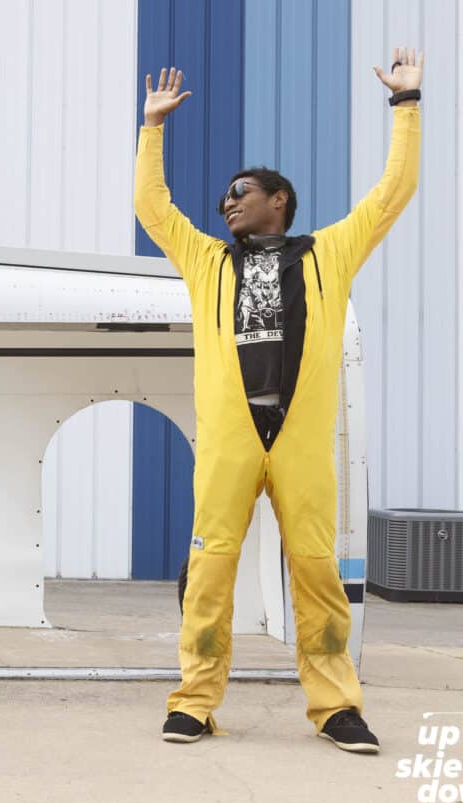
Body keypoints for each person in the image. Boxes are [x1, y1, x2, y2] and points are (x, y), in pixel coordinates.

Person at [134, 49, 422, 753]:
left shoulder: (331, 251)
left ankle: (336, 707)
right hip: (233, 441)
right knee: (210, 566)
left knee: (317, 569)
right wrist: (153, 130)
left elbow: (391, 193)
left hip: (297, 440)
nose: (227, 202)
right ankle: (194, 701)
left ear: (278, 200)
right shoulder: (205, 260)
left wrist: (405, 107)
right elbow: (153, 208)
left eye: (240, 191)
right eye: (224, 198)